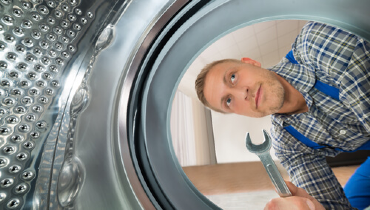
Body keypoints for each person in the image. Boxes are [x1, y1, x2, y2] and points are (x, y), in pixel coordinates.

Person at [195, 21, 370, 210]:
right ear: (237, 113)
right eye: (228, 101)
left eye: (232, 78)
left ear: (250, 62)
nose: (242, 93)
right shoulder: (288, 144)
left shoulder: (316, 44)